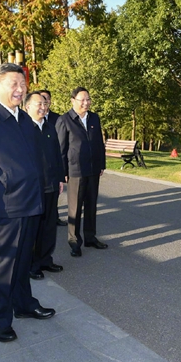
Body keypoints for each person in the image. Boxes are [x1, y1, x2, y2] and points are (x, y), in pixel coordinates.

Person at [0, 65, 55, 343]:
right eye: (13, 84)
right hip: (5, 205)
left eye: (23, 84)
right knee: (2, 264)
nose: (20, 89)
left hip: (30, 201)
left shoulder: (25, 119)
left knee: (23, 260)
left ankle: (24, 304)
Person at [56, 87, 108, 257]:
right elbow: (61, 149)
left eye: (88, 99)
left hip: (93, 169)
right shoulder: (65, 120)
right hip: (75, 170)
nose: (86, 103)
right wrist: (62, 171)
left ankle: (90, 237)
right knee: (75, 208)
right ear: (73, 100)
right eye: (82, 100)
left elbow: (99, 143)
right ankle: (74, 241)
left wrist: (102, 164)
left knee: (91, 204)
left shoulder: (94, 118)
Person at [24, 91, 66, 281]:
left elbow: (57, 156)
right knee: (33, 228)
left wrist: (59, 179)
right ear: (27, 107)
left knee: (49, 225)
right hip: (33, 187)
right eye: (38, 104)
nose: (43, 107)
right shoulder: (23, 129)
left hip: (51, 185)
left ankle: (45, 259)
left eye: (45, 104)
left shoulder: (50, 127)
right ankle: (32, 264)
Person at [40, 89, 67, 227]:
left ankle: (54, 217)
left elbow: (61, 145)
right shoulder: (28, 121)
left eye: (47, 99)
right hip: (40, 170)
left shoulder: (58, 118)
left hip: (55, 162)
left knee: (53, 195)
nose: (45, 102)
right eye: (42, 99)